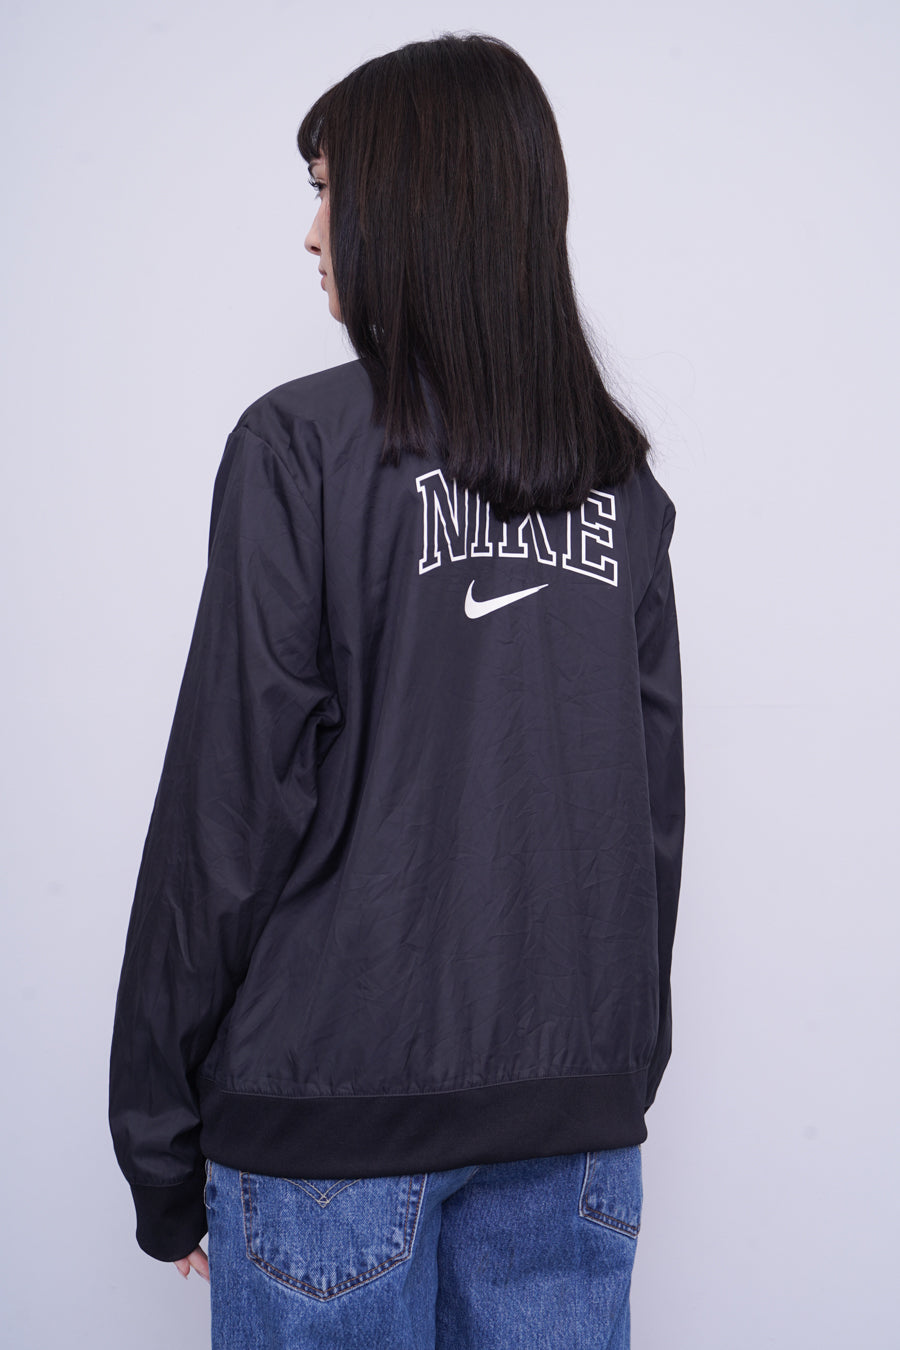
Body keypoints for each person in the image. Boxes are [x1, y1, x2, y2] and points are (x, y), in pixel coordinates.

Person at [108, 31, 685, 1350]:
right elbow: (647, 825)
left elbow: (225, 815)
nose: (313, 233)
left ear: (416, 205)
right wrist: (609, 1076)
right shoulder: (618, 485)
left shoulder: (298, 450)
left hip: (329, 1130)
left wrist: (157, 1137)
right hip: (568, 1132)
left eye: (331, 190)